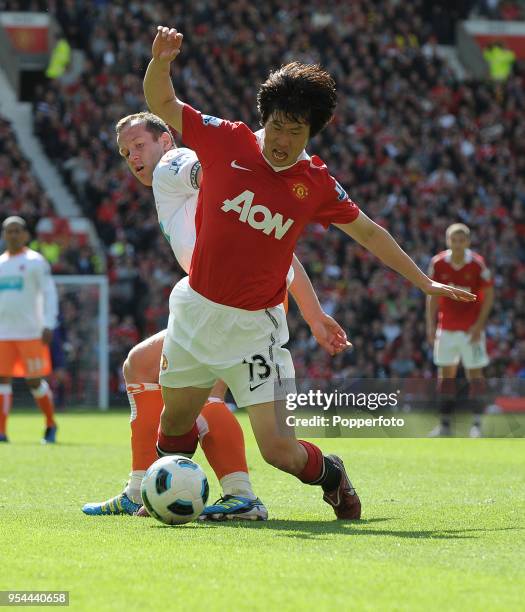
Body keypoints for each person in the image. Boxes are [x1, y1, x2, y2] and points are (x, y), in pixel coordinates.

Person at [143, 26, 475, 520]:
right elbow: (163, 102)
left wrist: (424, 282)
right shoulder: (224, 140)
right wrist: (160, 61)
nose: (282, 140)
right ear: (265, 119)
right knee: (174, 424)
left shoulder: (315, 183)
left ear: (312, 132)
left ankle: (332, 474)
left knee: (278, 450)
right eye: (277, 126)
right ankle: (167, 495)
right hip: (195, 313)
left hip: (257, 329)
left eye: (296, 131)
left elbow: (369, 233)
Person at [82, 112, 348, 520]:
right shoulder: (174, 187)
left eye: (139, 145)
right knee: (140, 364)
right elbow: (278, 246)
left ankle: (241, 493)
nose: (132, 156)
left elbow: (216, 174)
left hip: (245, 309)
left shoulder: (176, 163)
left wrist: (313, 315)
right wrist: (313, 315)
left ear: (166, 141)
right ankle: (141, 488)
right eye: (125, 152)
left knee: (212, 401)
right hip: (209, 306)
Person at [426, 223, 494, 437]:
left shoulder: (477, 265)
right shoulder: (438, 263)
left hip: (471, 331)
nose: (457, 244)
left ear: (468, 242)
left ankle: (477, 425)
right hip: (446, 329)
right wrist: (430, 324)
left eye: (461, 240)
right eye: (453, 240)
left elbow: (489, 296)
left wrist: (479, 326)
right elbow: (432, 295)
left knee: (475, 375)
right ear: (448, 241)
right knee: (446, 376)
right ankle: (445, 426)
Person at [0, 216, 59, 444]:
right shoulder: (1, 264)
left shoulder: (36, 261)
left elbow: (49, 293)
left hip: (30, 332)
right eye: (9, 231)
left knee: (33, 381)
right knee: (2, 379)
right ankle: (2, 432)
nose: (13, 235)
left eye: (17, 231)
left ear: (25, 235)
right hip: (4, 332)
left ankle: (50, 424)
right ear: (4, 235)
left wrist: (48, 323)